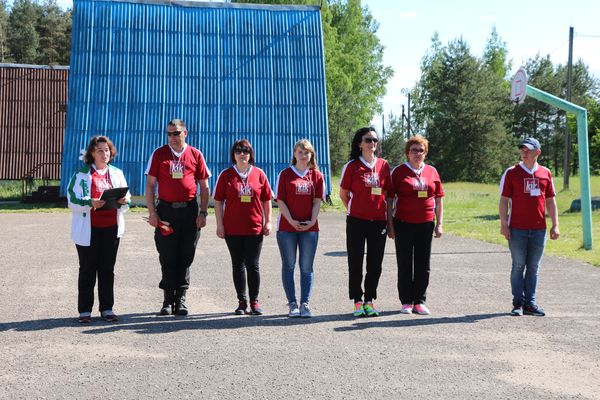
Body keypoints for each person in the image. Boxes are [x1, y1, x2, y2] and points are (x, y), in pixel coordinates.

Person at [145, 119, 211, 316]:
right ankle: (167, 300)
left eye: (176, 133)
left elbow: (204, 186)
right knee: (167, 255)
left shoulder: (195, 154)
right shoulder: (159, 154)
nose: (172, 137)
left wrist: (203, 212)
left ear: (185, 133)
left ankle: (181, 299)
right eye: (169, 134)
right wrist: (152, 213)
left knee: (186, 255)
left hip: (189, 212)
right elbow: (150, 185)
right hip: (166, 211)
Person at [67, 136, 130, 323]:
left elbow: (127, 197)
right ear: (92, 153)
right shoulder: (81, 174)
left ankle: (107, 308)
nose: (105, 154)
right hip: (88, 230)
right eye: (100, 150)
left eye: (107, 150)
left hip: (111, 229)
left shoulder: (117, 173)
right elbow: (71, 200)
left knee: (107, 269)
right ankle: (85, 310)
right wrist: (90, 202)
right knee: (87, 269)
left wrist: (124, 200)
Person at [499, 137, 560, 317]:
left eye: (528, 149)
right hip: (517, 228)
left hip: (539, 229)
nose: (524, 152)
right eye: (522, 149)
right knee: (518, 265)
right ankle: (518, 303)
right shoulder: (512, 172)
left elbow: (550, 201)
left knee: (533, 267)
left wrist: (555, 225)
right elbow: (504, 200)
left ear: (537, 152)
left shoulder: (545, 173)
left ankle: (530, 304)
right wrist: (504, 224)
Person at [213, 139, 273, 315]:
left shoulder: (259, 174)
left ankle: (254, 301)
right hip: (232, 229)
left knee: (253, 265)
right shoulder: (226, 175)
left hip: (254, 228)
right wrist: (220, 225)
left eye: (245, 151)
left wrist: (268, 221)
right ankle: (242, 302)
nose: (242, 154)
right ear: (233, 154)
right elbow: (218, 201)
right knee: (237, 265)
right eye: (238, 151)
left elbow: (266, 199)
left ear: (250, 154)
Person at [388, 135, 444, 315]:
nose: (417, 153)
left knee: (423, 264)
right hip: (403, 223)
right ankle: (406, 301)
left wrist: (439, 224)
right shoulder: (398, 172)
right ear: (407, 153)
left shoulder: (432, 171)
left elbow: (439, 199)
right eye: (414, 150)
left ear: (425, 153)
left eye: (421, 150)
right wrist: (390, 224)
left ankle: (419, 301)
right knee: (405, 263)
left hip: (425, 224)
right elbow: (389, 199)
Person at [340, 127, 392, 317]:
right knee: (355, 263)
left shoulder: (384, 165)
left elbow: (387, 194)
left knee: (375, 264)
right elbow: (344, 194)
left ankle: (369, 300)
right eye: (368, 140)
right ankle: (357, 301)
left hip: (378, 222)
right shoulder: (352, 166)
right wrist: (356, 208)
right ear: (360, 144)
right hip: (356, 221)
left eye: (375, 140)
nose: (372, 143)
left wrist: (389, 222)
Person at [275, 139, 324, 318]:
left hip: (310, 229)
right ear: (294, 154)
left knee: (306, 267)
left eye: (307, 152)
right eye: (300, 152)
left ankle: (305, 304)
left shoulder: (317, 176)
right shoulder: (285, 174)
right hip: (287, 228)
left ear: (311, 155)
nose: (303, 155)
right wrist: (291, 220)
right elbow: (280, 201)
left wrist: (312, 221)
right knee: (289, 265)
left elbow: (317, 201)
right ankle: (292, 304)